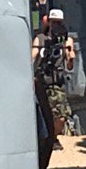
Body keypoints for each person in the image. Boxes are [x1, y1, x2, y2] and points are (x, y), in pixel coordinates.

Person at [31, 8, 76, 140]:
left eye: (58, 22)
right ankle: (48, 139)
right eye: (53, 22)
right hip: (42, 82)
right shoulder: (40, 39)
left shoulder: (66, 41)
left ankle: (53, 136)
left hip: (57, 84)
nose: (55, 25)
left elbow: (69, 65)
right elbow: (32, 57)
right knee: (44, 115)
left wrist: (71, 57)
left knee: (61, 117)